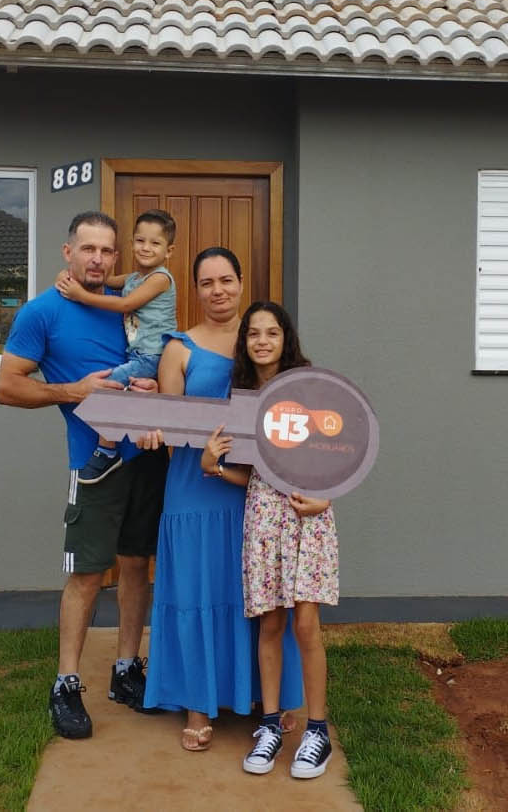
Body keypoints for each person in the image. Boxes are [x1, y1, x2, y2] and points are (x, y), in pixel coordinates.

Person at [0, 210, 169, 740]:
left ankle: (125, 670)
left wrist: (161, 390)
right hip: (94, 465)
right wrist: (72, 392)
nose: (98, 258)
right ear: (68, 252)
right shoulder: (42, 312)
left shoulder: (130, 304)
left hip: (148, 456)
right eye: (88, 249)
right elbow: (6, 387)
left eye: (107, 251)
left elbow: (161, 359)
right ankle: (66, 682)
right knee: (88, 573)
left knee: (138, 566)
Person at [138, 248, 304, 752]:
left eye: (226, 280)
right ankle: (197, 703)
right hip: (193, 491)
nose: (218, 290)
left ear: (239, 283)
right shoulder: (178, 350)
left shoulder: (262, 341)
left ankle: (261, 698)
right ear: (195, 289)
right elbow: (168, 431)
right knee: (196, 594)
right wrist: (149, 426)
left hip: (254, 496)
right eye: (207, 282)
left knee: (256, 597)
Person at [202, 301, 339, 778]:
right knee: (270, 625)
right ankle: (270, 727)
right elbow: (257, 476)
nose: (263, 341)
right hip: (263, 517)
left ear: (286, 339)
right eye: (254, 333)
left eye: (272, 333)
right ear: (246, 343)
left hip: (307, 516)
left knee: (305, 625)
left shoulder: (311, 388)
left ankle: (316, 731)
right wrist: (215, 466)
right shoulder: (241, 398)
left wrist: (324, 499)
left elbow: (338, 452)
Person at [54, 208, 178, 482]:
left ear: (169, 251)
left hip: (153, 355)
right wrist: (67, 276)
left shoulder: (160, 279)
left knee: (107, 390)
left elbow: (125, 304)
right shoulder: (133, 278)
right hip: (137, 353)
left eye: (155, 243)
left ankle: (107, 450)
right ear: (132, 243)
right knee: (124, 395)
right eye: (140, 240)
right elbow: (104, 280)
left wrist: (80, 295)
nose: (146, 248)